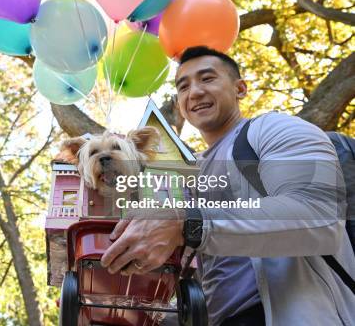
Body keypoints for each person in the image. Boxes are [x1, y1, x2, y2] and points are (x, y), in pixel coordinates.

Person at [100, 46, 355, 325]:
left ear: (240, 89)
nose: (194, 92)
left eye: (207, 79)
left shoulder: (276, 129)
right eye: (183, 87)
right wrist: (109, 304)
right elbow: (202, 292)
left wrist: (189, 223)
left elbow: (317, 216)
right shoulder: (183, 178)